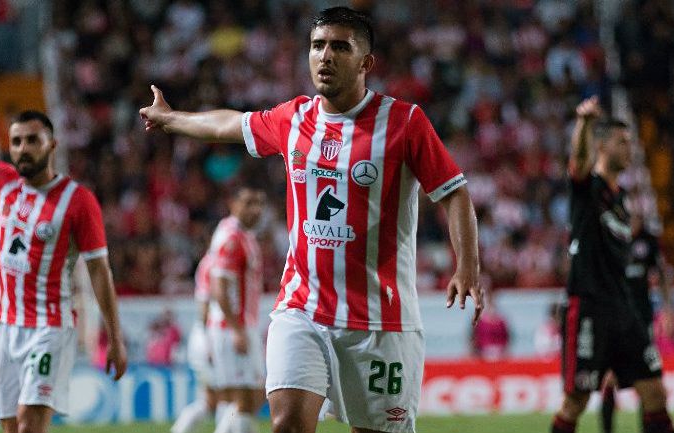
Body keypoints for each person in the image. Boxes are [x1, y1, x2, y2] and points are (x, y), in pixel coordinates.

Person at [140, 7, 482, 433]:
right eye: (318, 46)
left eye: (340, 47)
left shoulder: (405, 123)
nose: (325, 56)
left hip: (379, 321)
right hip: (303, 309)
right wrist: (172, 119)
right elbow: (231, 124)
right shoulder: (294, 118)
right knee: (287, 424)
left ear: (365, 62)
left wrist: (467, 265)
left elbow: (454, 192)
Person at [0, 92, 127, 433]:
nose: (23, 148)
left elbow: (99, 270)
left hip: (50, 327)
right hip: (6, 327)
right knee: (11, 429)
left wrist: (114, 337)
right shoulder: (3, 181)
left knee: (28, 427)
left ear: (52, 145)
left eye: (33, 140)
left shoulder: (78, 201)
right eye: (17, 141)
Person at [550, 95, 674, 433]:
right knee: (576, 400)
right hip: (589, 307)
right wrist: (584, 122)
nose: (630, 149)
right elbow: (577, 163)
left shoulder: (621, 200)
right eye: (623, 142)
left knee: (655, 391)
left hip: (625, 310)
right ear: (602, 146)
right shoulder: (588, 189)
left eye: (631, 142)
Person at [599, 213, 674, 433]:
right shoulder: (612, 239)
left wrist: (668, 310)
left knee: (647, 379)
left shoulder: (649, 242)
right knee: (610, 379)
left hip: (642, 321)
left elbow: (661, 276)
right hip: (615, 320)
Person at [204, 186, 267, 433]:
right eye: (249, 203)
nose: (256, 210)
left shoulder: (243, 235)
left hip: (241, 324)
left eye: (259, 203)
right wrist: (237, 329)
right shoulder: (231, 238)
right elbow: (218, 286)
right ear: (233, 204)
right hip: (232, 326)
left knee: (247, 398)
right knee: (247, 397)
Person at [171, 254, 218, 433]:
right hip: (210, 337)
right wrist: (209, 343)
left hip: (204, 336)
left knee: (212, 401)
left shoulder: (207, 263)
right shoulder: (214, 264)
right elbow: (204, 306)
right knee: (225, 400)